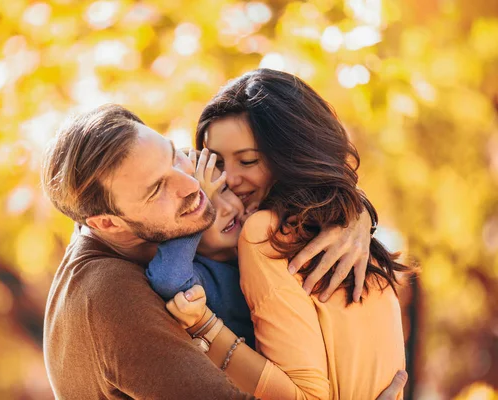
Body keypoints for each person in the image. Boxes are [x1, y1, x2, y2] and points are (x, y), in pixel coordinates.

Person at [40, 103, 408, 399]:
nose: (191, 185)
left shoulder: (144, 226)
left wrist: (352, 212)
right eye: (156, 189)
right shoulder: (111, 298)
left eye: (174, 156)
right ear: (106, 223)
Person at [165, 68, 411, 399]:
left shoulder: (264, 235)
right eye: (218, 165)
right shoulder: (344, 221)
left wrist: (204, 327)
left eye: (248, 161)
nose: (230, 180)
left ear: (290, 153)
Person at [146, 149, 256, 348]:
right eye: (200, 204)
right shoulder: (202, 275)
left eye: (223, 190)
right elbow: (168, 279)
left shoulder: (256, 230)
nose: (227, 208)